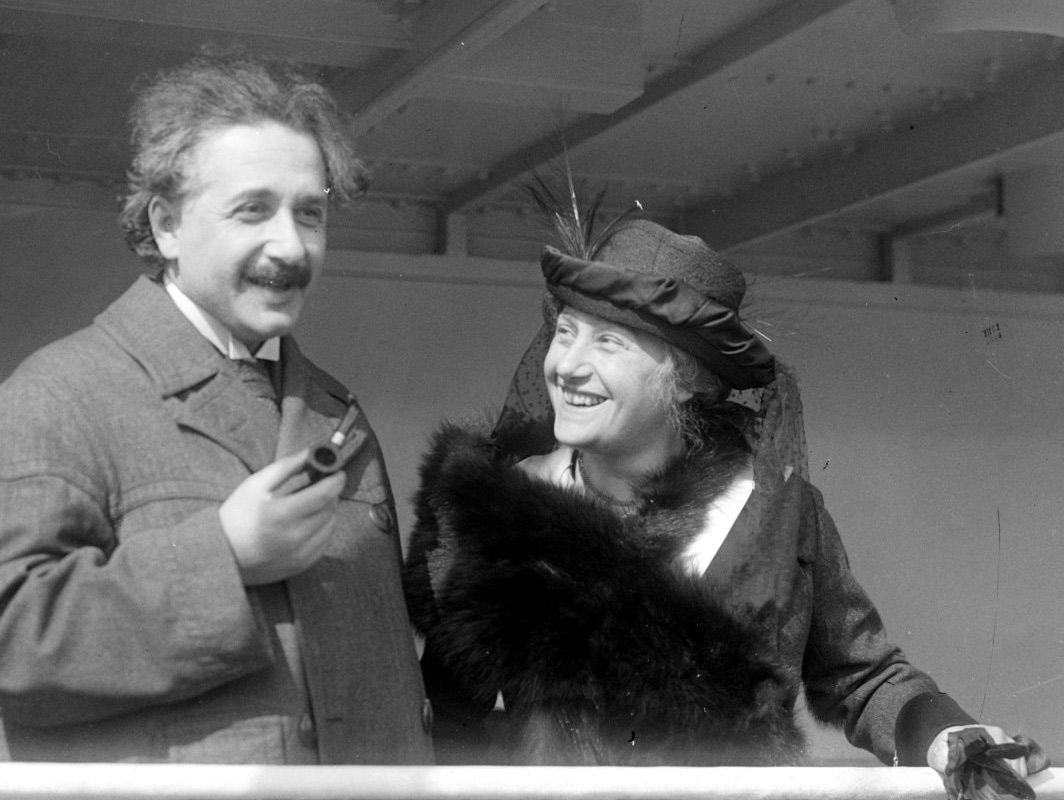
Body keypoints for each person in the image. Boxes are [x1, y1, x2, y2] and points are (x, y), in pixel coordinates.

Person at [402, 204, 1047, 784]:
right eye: (565, 331)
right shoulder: (504, 509)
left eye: (608, 341)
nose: (566, 365)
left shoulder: (770, 514)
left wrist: (945, 733)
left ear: (687, 379)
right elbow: (449, 721)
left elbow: (865, 676)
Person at [0, 55, 434, 764]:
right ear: (166, 226)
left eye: (310, 213)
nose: (291, 246)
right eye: (252, 210)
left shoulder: (336, 415)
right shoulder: (58, 395)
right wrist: (224, 556)